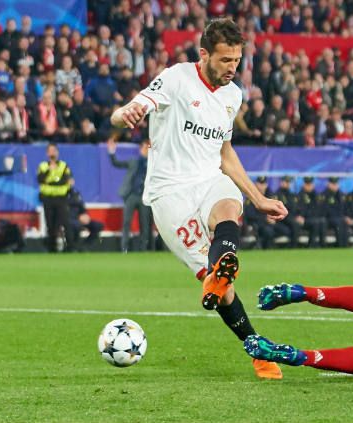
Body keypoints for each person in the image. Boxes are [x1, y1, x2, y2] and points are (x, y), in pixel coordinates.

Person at [109, 19, 288, 379]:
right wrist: (124, 114)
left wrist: (258, 198)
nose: (232, 68)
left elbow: (224, 152)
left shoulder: (232, 95)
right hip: (169, 192)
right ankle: (256, 348)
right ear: (204, 54)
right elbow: (122, 112)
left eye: (237, 60)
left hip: (209, 179)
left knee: (229, 205)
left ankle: (222, 264)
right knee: (225, 291)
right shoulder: (176, 78)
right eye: (225, 60)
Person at [108, 138, 152, 252]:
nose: (146, 149)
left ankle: (143, 249)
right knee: (126, 222)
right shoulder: (134, 161)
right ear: (141, 148)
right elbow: (116, 163)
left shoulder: (153, 164)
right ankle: (124, 248)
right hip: (131, 195)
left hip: (144, 196)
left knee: (145, 224)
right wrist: (112, 152)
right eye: (145, 146)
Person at [37, 143, 75, 252]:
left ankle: (70, 247)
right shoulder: (43, 166)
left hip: (61, 198)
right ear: (47, 153)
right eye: (50, 150)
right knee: (50, 225)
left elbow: (66, 180)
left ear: (57, 152)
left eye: (54, 150)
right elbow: (41, 179)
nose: (52, 152)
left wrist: (51, 181)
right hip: (47, 198)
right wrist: (50, 170)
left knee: (65, 222)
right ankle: (52, 248)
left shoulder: (63, 165)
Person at [67, 179, 104, 251]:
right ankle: (73, 247)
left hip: (79, 218)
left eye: (71, 180)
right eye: (68, 180)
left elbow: (81, 207)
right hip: (68, 219)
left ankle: (84, 246)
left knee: (98, 226)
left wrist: (84, 214)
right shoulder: (61, 195)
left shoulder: (76, 193)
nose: (70, 182)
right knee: (75, 225)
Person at [243, 176, 277, 249]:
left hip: (269, 223)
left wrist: (272, 218)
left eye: (263, 184)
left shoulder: (269, 195)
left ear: (266, 185)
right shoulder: (251, 196)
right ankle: (265, 249)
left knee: (282, 228)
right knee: (268, 231)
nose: (262, 186)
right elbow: (250, 214)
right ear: (256, 184)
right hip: (256, 223)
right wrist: (265, 218)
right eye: (260, 184)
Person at [296, 177, 326, 248]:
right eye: (307, 184)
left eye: (310, 184)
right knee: (315, 223)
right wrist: (299, 216)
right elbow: (300, 209)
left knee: (322, 221)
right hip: (304, 219)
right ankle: (311, 245)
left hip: (313, 218)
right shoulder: (300, 195)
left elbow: (318, 208)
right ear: (304, 185)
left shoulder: (315, 195)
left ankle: (323, 245)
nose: (309, 186)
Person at [274, 176, 302, 248]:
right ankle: (293, 246)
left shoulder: (291, 194)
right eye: (286, 182)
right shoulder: (278, 194)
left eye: (288, 182)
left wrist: (299, 215)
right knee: (294, 224)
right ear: (281, 182)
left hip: (290, 217)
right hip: (282, 219)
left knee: (296, 223)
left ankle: (293, 245)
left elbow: (296, 207)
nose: (288, 184)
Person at [321, 177, 349, 247]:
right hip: (329, 218)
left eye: (336, 184)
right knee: (339, 222)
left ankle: (345, 245)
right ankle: (340, 245)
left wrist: (346, 216)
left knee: (345, 223)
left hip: (340, 218)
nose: (335, 186)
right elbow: (325, 209)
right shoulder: (324, 195)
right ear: (329, 184)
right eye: (333, 184)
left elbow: (345, 208)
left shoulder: (341, 195)